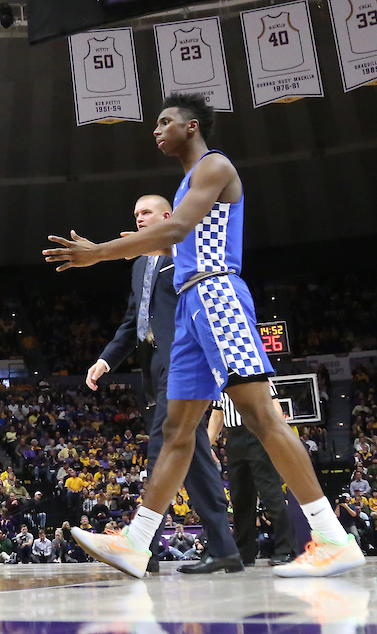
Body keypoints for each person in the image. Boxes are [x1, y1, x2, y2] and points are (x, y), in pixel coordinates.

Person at [43, 92, 363, 578]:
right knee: (177, 431)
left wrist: (102, 252)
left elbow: (175, 231)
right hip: (191, 305)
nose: (156, 129)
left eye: (165, 121)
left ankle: (332, 538)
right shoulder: (189, 178)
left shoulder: (214, 167)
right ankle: (137, 541)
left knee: (260, 415)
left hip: (217, 294)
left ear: (191, 127)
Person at [86, 192, 240, 574]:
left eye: (146, 213)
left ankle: (143, 548)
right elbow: (131, 323)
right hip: (154, 369)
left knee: (162, 448)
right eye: (135, 213)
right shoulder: (139, 266)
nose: (139, 218)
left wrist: (166, 243)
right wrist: (105, 360)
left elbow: (191, 262)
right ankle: (224, 548)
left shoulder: (183, 249)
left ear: (167, 215)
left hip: (185, 360)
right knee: (195, 459)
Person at [208, 386, 296, 566]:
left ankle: (286, 550)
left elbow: (275, 406)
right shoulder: (219, 380)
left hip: (259, 434)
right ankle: (244, 552)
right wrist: (206, 445)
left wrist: (275, 435)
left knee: (271, 493)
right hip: (234, 439)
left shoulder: (255, 369)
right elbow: (217, 415)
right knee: (240, 498)